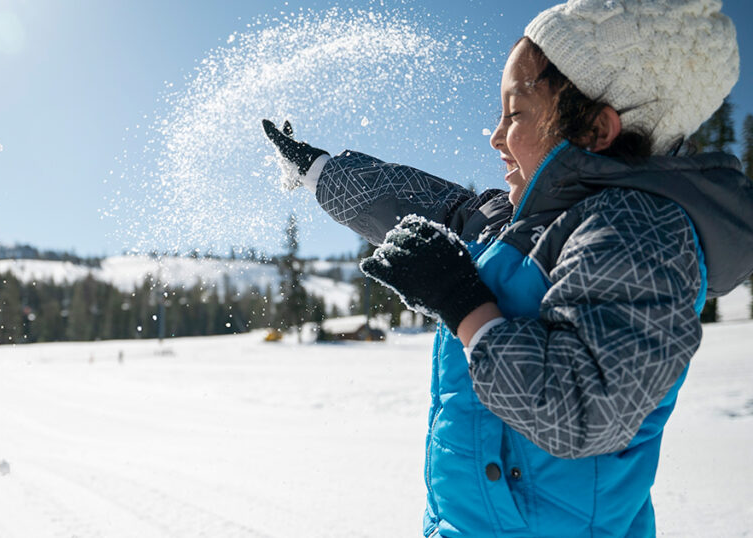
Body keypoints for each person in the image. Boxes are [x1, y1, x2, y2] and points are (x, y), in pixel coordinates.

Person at [263, 0, 750, 536]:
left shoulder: (642, 232)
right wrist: (320, 172)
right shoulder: (522, 226)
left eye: (514, 114)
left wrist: (466, 308)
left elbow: (584, 409)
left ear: (595, 130)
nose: (495, 137)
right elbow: (434, 206)